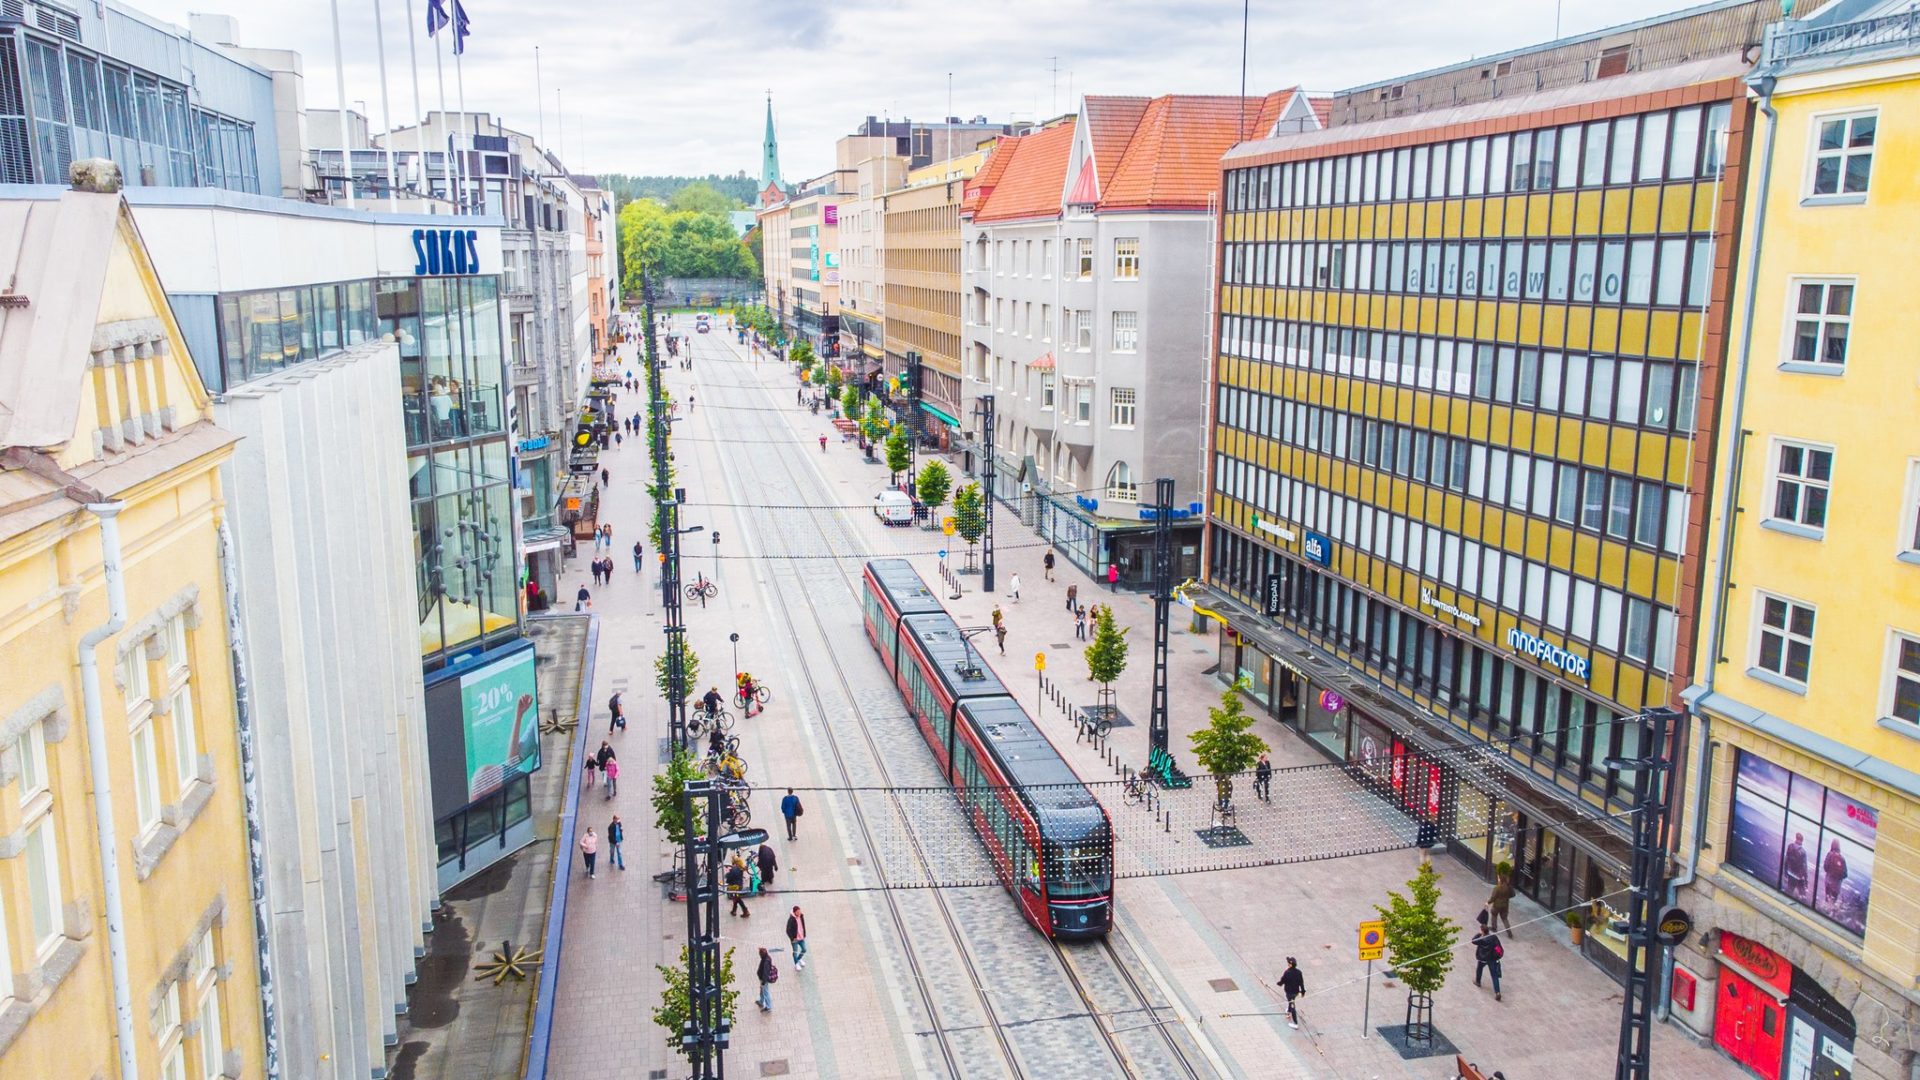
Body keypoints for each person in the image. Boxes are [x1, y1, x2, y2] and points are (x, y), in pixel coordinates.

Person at [1471, 925, 1504, 1000]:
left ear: (1482, 931)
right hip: (1492, 958)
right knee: (1494, 976)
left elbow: (1473, 940)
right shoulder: (1494, 937)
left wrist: (1479, 934)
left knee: (1479, 968)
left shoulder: (1481, 939)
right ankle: (1497, 992)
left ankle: (1478, 981)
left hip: (1484, 958)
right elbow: (1498, 945)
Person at [1277, 957, 1305, 1029]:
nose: (1287, 964)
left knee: (1292, 1006)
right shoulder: (1299, 972)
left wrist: (1279, 983)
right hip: (1296, 992)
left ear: (1290, 965)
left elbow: (1282, 981)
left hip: (1289, 992)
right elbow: (1301, 983)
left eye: (1288, 963)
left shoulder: (1287, 973)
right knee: (1291, 1002)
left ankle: (1295, 1023)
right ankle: (1288, 1011)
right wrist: (1303, 991)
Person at [1487, 867, 1515, 936]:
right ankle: (1509, 931)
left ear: (1500, 879)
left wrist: (1488, 902)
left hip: (1497, 905)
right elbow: (1513, 895)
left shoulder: (1497, 888)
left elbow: (1493, 897)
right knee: (1504, 918)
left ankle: (1494, 927)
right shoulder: (1509, 887)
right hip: (1505, 905)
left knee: (1494, 915)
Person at [1783, 832, 1811, 901]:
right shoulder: (1803, 852)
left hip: (1790, 873)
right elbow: (1804, 867)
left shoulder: (1790, 846)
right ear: (1802, 841)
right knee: (1802, 895)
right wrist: (1806, 880)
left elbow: (1786, 860)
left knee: (1789, 891)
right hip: (1798, 876)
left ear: (1796, 838)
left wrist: (1785, 871)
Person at [1823, 839, 1849, 904]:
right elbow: (1845, 874)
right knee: (1832, 903)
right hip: (1837, 886)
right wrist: (1838, 876)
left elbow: (1825, 867)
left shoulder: (1829, 854)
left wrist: (1831, 872)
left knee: (1827, 900)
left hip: (1828, 882)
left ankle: (1824, 909)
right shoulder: (1842, 858)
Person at [786, 906, 808, 971]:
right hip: (795, 939)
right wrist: (792, 939)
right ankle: (796, 964)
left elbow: (803, 926)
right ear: (795, 912)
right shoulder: (791, 920)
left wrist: (804, 934)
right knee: (795, 952)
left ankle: (799, 959)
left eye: (800, 911)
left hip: (801, 937)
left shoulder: (801, 916)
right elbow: (788, 930)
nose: (799, 912)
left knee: (804, 949)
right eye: (798, 912)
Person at [755, 947, 777, 1012]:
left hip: (763, 980)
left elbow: (765, 973)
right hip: (762, 979)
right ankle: (761, 1001)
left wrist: (763, 983)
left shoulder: (766, 961)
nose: (759, 955)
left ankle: (768, 1007)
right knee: (762, 990)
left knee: (766, 992)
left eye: (759, 954)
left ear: (762, 954)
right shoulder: (766, 957)